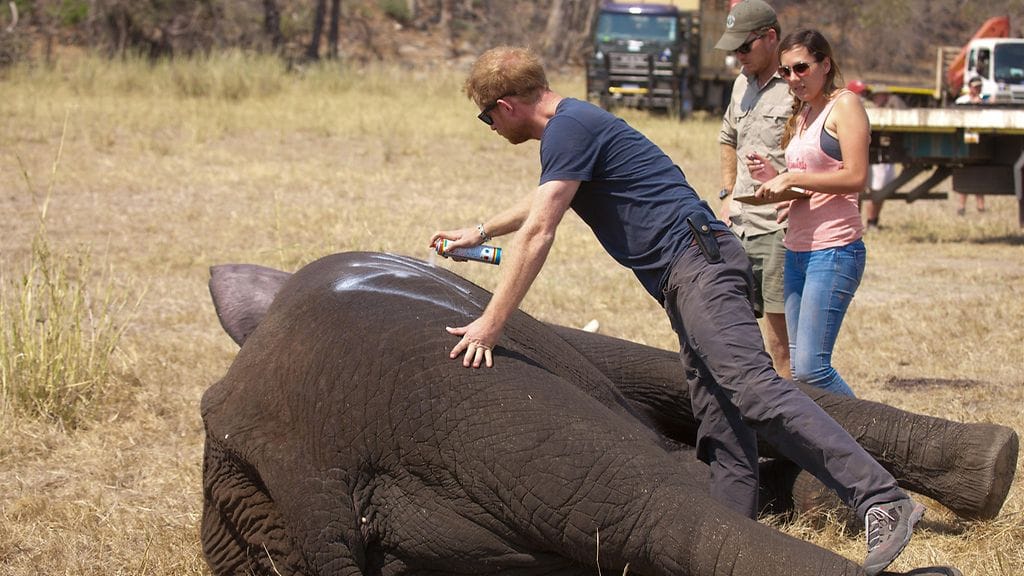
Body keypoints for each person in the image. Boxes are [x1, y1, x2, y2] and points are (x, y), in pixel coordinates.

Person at [432, 45, 923, 576]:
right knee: (719, 417)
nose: (489, 127)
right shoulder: (572, 125)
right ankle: (725, 544)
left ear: (505, 106)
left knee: (753, 389)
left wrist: (491, 324)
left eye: (486, 116)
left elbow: (540, 230)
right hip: (685, 274)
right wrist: (480, 232)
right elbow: (547, 200)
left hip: (699, 266)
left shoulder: (568, 129)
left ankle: (881, 498)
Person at [748, 29, 868, 400]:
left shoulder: (844, 105)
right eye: (785, 72)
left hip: (833, 251)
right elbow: (818, 184)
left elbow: (856, 177)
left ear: (825, 64)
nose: (793, 79)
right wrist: (779, 185)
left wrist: (795, 177)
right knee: (800, 371)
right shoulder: (804, 114)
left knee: (813, 369)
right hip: (797, 249)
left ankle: (876, 440)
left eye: (801, 68)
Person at [715, 0, 791, 378]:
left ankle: (792, 429)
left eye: (744, 47)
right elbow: (728, 137)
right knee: (738, 338)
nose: (738, 56)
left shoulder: (797, 85)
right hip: (739, 226)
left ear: (771, 38)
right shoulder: (741, 84)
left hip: (778, 230)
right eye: (734, 49)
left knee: (782, 347)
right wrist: (728, 194)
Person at [847, 80, 907, 230]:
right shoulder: (847, 108)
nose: (865, 96)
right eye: (861, 93)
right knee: (857, 191)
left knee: (878, 189)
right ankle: (857, 223)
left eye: (866, 93)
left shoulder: (883, 108)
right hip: (858, 154)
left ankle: (872, 222)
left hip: (879, 154)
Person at [954, 77, 988, 216]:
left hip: (980, 139)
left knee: (979, 175)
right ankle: (961, 206)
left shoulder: (984, 101)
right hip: (965, 139)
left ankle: (981, 206)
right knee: (966, 173)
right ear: (969, 87)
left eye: (979, 87)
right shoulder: (961, 101)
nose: (977, 89)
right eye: (975, 86)